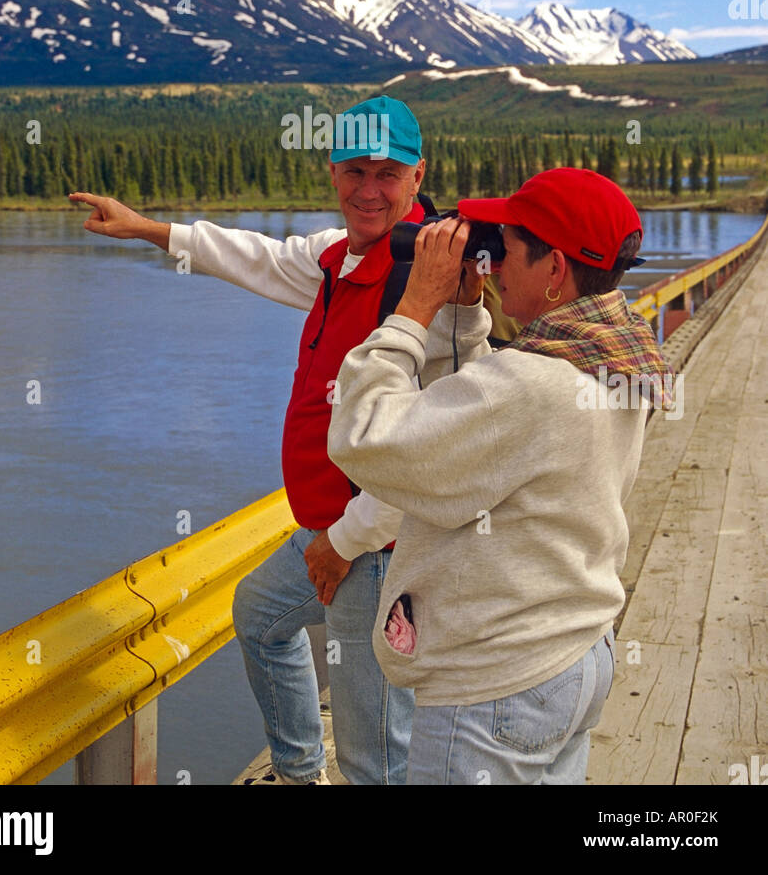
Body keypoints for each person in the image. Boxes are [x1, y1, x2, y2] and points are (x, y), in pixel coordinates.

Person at [70, 95, 508, 785]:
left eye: (387, 174)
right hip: (333, 533)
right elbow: (256, 256)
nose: (369, 190)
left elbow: (432, 455)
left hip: (381, 547)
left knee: (377, 757)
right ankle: (299, 770)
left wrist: (347, 540)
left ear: (418, 177)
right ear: (331, 174)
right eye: (353, 170)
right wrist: (148, 229)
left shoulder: (424, 280)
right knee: (261, 612)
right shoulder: (339, 261)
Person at [328, 167, 674, 785]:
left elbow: (364, 436)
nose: (492, 263)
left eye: (507, 247)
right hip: (572, 655)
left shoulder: (532, 384)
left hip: (496, 687)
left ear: (556, 270)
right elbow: (494, 428)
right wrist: (460, 320)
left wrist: (413, 309)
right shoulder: (612, 356)